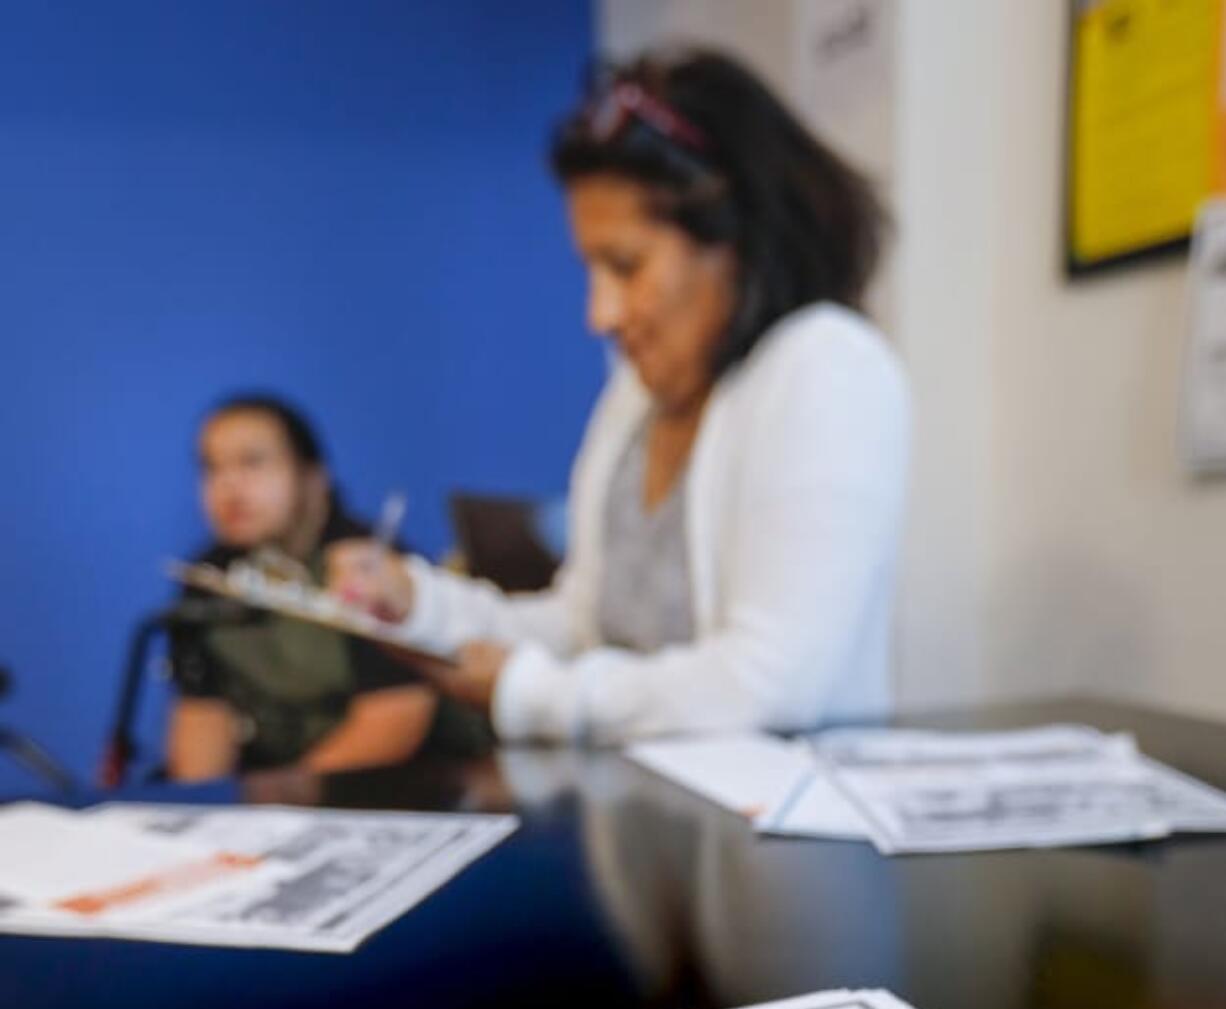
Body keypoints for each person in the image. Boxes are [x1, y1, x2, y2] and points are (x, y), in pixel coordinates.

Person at [331, 49, 910, 746]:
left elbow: (768, 684)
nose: (600, 314)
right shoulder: (638, 398)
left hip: (779, 845)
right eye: (591, 269)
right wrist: (419, 605)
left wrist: (527, 693)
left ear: (736, 241)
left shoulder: (827, 365)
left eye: (626, 266)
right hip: (648, 828)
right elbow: (584, 626)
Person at [166, 395, 444, 778]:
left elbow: (396, 715)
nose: (229, 487)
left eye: (253, 462)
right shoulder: (208, 579)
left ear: (313, 477)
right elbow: (202, 719)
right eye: (212, 468)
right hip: (273, 797)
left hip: (389, 793)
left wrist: (287, 808)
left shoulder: (370, 569)